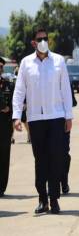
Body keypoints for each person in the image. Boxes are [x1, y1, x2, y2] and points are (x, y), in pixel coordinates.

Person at [13, 27, 73, 214]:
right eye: (39, 39)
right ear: (33, 43)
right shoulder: (25, 63)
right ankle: (42, 200)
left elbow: (65, 89)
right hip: (35, 119)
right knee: (40, 161)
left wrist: (68, 115)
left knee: (56, 159)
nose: (43, 42)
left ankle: (54, 200)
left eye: (45, 38)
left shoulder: (58, 61)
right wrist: (16, 116)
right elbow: (19, 90)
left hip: (56, 117)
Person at [0, 56, 15, 197]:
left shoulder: (8, 84)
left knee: (4, 157)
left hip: (4, 126)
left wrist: (8, 108)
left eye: (0, 67)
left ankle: (2, 187)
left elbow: (14, 103)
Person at [61, 83, 77, 194]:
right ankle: (55, 183)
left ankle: (64, 181)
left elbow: (72, 101)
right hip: (46, 121)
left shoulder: (65, 80)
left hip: (63, 121)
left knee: (63, 154)